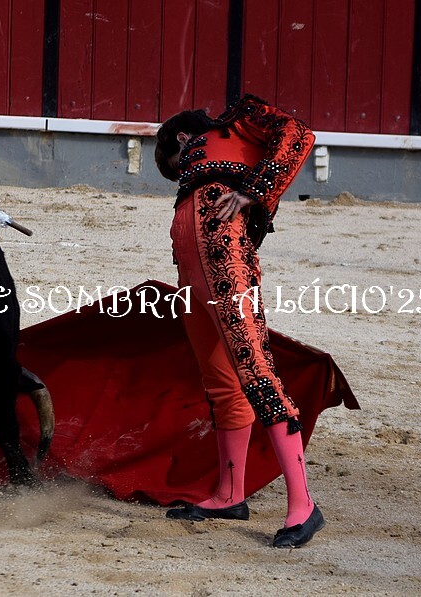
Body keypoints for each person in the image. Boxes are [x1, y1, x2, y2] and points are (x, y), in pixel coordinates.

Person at [154, 94, 322, 548]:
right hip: (192, 271)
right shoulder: (209, 162)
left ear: (181, 138)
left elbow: (298, 134)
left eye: (174, 165)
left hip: (226, 262)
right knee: (222, 383)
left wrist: (256, 191)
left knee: (256, 372)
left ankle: (303, 505)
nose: (180, 175)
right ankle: (230, 495)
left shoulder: (237, 122)